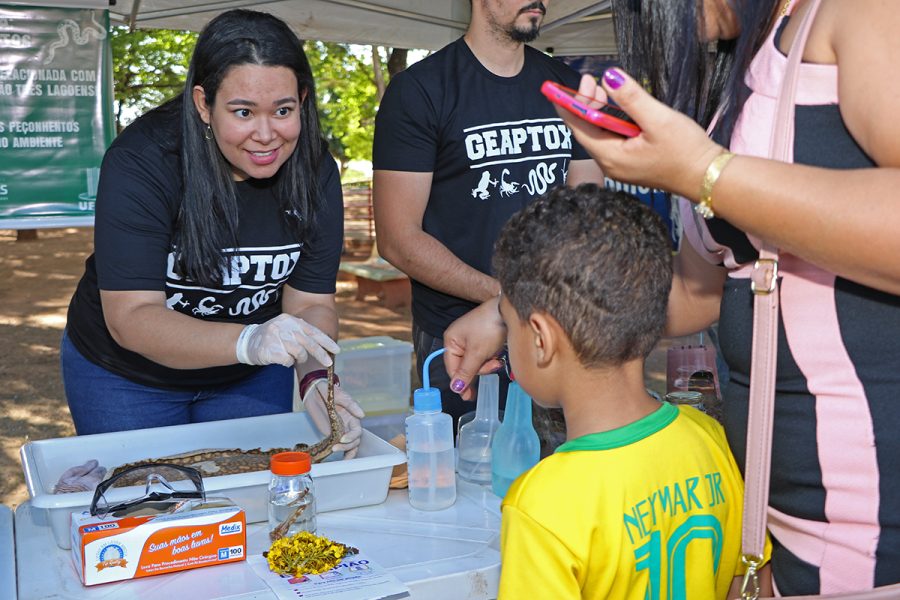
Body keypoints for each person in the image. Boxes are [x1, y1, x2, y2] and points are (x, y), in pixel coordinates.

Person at [447, 0, 900, 593]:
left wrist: (703, 173)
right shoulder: (749, 56)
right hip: (784, 540)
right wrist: (516, 312)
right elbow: (699, 288)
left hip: (868, 538)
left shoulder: (861, 12)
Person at [61, 9, 364, 458]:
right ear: (203, 103)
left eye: (283, 110)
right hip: (127, 377)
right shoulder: (143, 161)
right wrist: (248, 340)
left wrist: (317, 377)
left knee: (248, 507)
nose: (266, 135)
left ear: (302, 99)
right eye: (243, 112)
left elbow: (310, 303)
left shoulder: (315, 170)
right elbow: (132, 315)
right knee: (150, 514)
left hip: (250, 376)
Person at [493, 184, 754, 599]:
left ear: (541, 338)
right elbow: (748, 581)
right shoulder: (709, 437)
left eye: (507, 324)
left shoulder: (541, 505)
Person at [372, 0, 604, 447]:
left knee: (563, 477)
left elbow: (588, 216)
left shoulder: (569, 87)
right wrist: (506, 300)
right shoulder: (420, 90)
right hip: (460, 335)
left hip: (558, 327)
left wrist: (530, 304)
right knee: (465, 483)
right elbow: (399, 239)